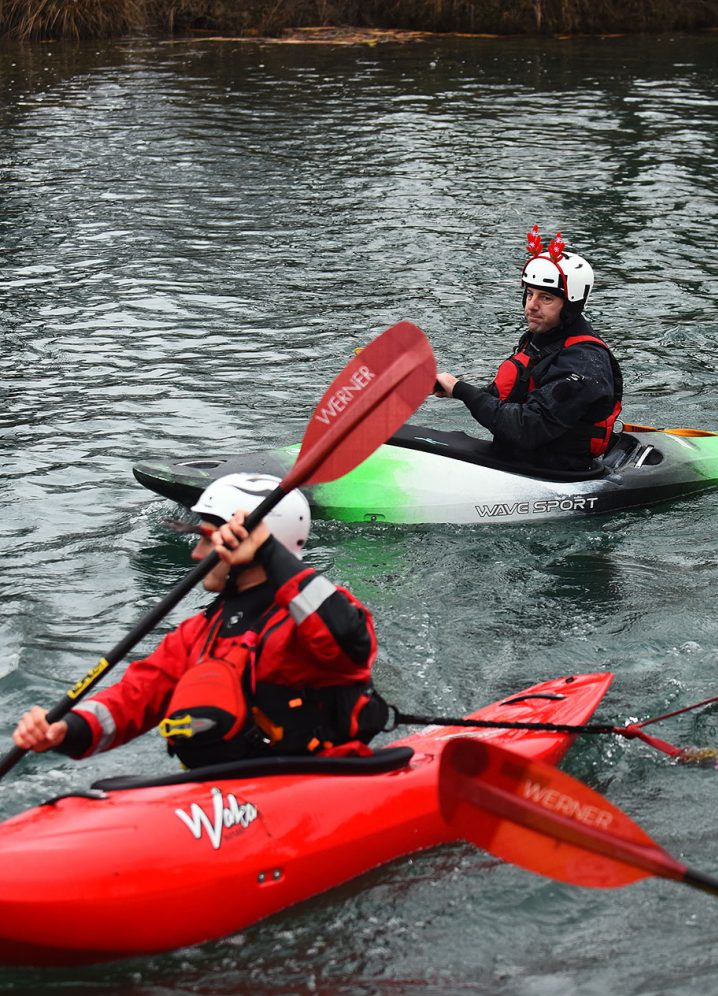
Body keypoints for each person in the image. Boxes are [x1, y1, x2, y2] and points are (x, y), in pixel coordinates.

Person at [12, 473, 386, 769]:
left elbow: (349, 640)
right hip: (222, 795)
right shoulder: (199, 635)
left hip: (314, 782)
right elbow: (131, 700)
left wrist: (268, 550)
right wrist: (65, 730)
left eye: (208, 539)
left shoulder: (311, 616)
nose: (196, 553)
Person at [433, 225, 623, 472]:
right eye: (530, 294)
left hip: (557, 472)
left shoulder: (583, 362)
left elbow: (526, 428)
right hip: (521, 459)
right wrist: (450, 389)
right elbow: (513, 397)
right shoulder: (544, 338)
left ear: (570, 306)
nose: (531, 306)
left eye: (546, 298)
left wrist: (463, 391)